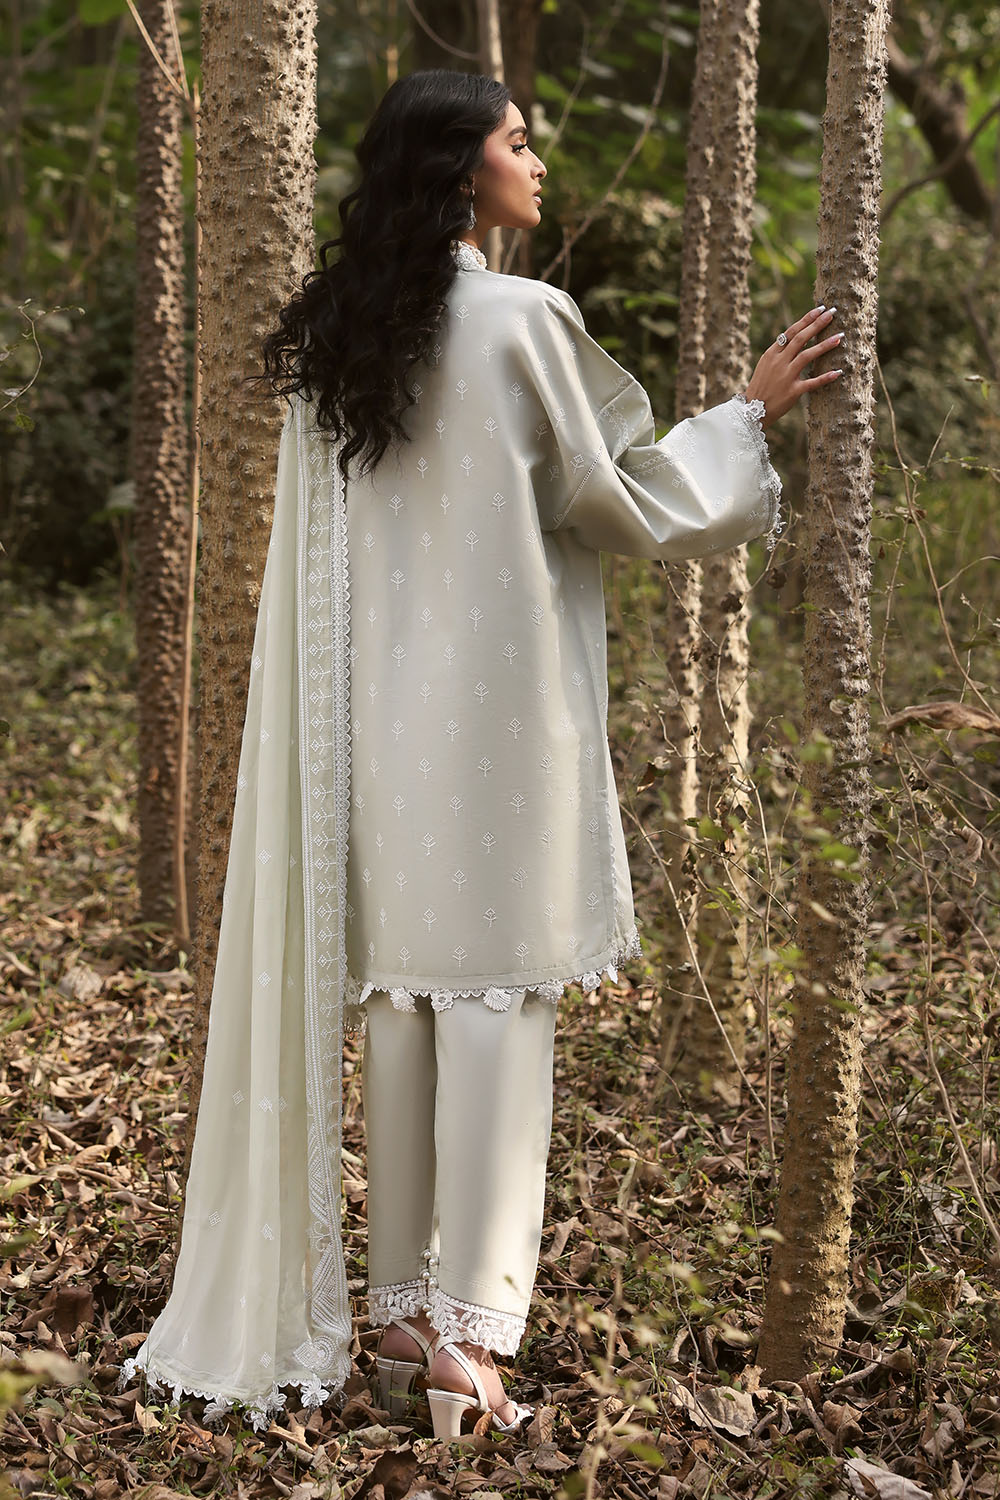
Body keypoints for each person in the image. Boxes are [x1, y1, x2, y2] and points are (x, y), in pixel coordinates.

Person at [120, 69, 842, 1437]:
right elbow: (615, 499)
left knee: (405, 1004)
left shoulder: (339, 338)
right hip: (503, 729)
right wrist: (746, 420)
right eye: (518, 140)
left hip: (368, 733)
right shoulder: (521, 322)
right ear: (462, 171)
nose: (539, 159)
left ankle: (402, 1317)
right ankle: (466, 1342)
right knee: (498, 1009)